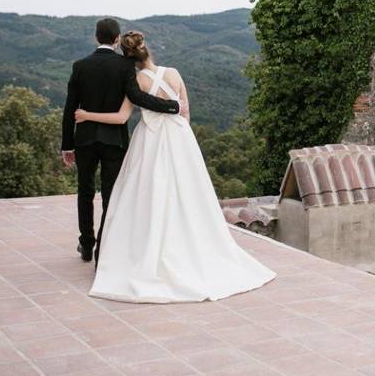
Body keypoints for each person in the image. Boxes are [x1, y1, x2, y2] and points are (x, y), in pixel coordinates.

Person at [74, 30, 275, 302]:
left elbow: (121, 118)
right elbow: (185, 112)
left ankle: (150, 249)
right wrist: (181, 140)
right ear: (147, 49)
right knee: (189, 193)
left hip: (150, 143)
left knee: (149, 194)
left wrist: (86, 115)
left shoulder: (135, 81)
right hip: (181, 139)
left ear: (127, 55)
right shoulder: (174, 73)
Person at [62, 18, 182, 264]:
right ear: (117, 40)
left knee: (84, 192)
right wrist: (171, 107)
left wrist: (67, 145)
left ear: (96, 37)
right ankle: (102, 248)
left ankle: (86, 244)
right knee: (110, 195)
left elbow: (69, 109)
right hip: (113, 141)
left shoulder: (79, 66)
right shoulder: (124, 66)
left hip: (84, 139)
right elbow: (137, 97)